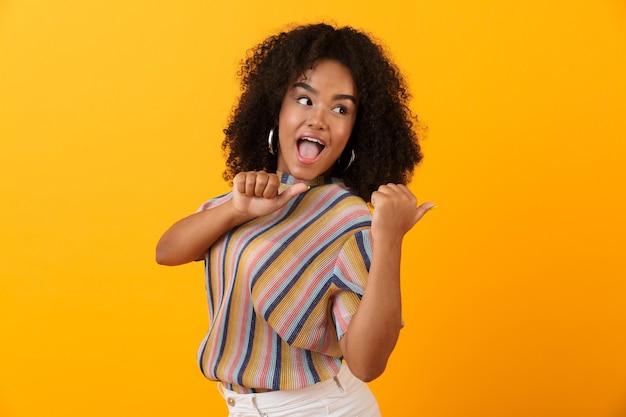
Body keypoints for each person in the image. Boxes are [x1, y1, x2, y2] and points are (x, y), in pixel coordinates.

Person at [156, 22, 435, 417]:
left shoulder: (347, 218)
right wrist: (236, 209)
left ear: (357, 130)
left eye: (340, 109)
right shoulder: (253, 193)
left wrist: (388, 239)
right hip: (243, 408)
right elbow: (166, 252)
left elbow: (368, 364)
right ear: (276, 107)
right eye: (305, 100)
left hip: (320, 407)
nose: (319, 119)